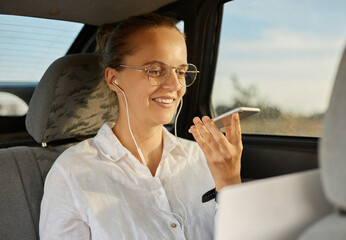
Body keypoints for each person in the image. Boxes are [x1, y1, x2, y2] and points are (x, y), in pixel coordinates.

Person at [39, 13, 243, 239]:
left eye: (181, 72)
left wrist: (229, 183)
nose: (175, 85)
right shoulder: (73, 172)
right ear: (113, 79)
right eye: (155, 71)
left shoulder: (202, 157)